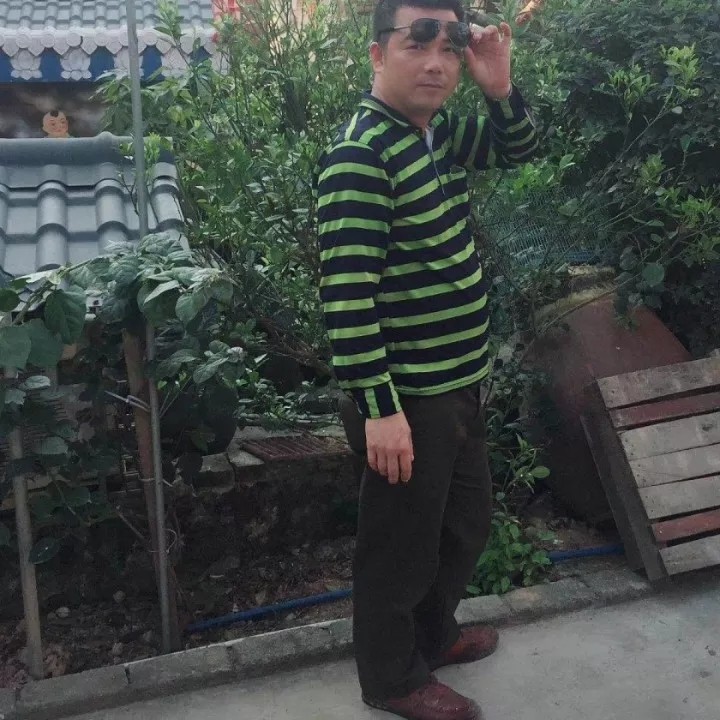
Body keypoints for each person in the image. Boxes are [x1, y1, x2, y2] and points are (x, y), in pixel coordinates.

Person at [314, 1, 538, 717]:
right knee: (400, 546)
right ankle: (391, 679)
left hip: (457, 384)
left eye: (449, 46)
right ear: (378, 55)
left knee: (464, 526)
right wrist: (381, 412)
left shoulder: (431, 132)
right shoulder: (362, 154)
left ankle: (432, 638)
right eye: (418, 45)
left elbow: (515, 149)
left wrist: (499, 88)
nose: (437, 64)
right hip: (408, 399)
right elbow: (347, 297)